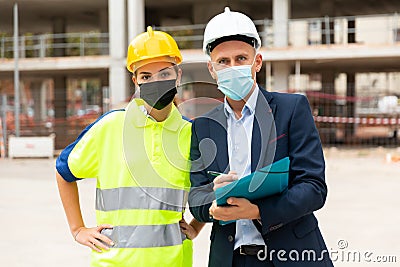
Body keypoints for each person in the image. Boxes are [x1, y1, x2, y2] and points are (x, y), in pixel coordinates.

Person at [188, 7, 333, 267]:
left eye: (241, 58)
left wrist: (257, 211)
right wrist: (211, 206)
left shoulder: (292, 110)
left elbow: (314, 187)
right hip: (231, 258)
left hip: (292, 254)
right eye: (223, 61)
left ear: (257, 62)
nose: (232, 67)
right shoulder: (203, 126)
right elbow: (196, 198)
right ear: (211, 69)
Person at [55, 26, 204, 267]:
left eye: (164, 74)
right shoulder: (111, 126)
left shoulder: (191, 133)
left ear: (178, 75)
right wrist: (78, 229)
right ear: (135, 81)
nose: (155, 82)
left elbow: (210, 188)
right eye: (146, 76)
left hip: (174, 262)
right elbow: (64, 173)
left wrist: (196, 226)